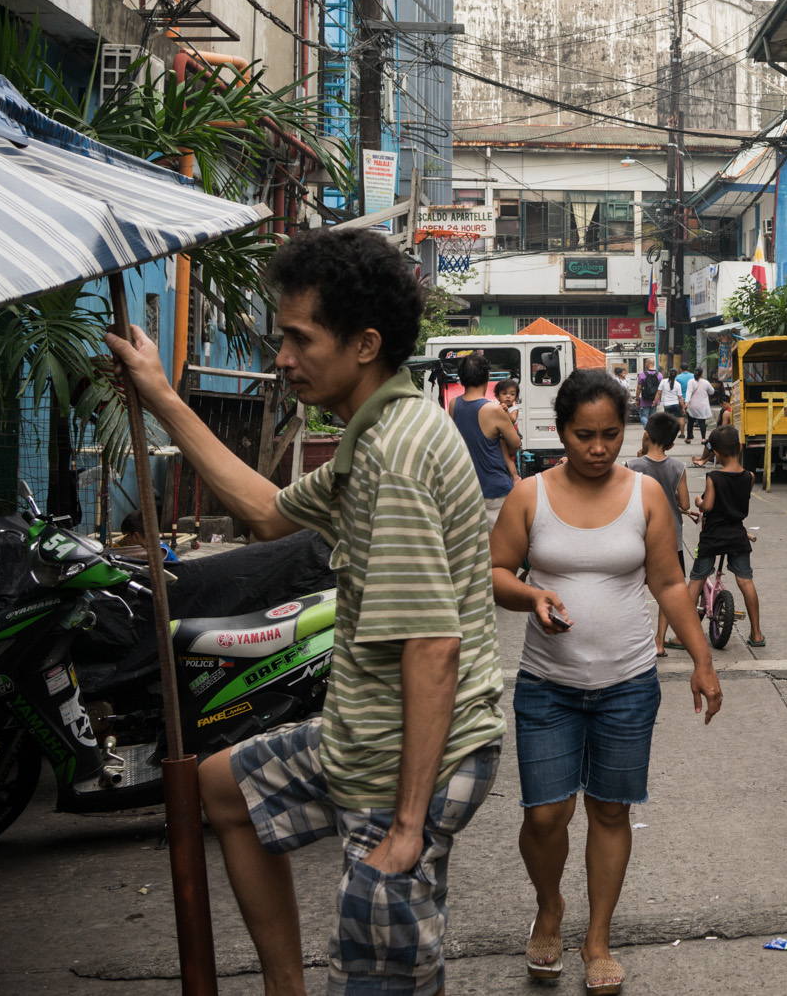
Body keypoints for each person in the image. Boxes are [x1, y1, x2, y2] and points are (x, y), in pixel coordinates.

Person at [102, 227, 505, 996]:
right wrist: (159, 395)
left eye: (298, 337)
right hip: (363, 731)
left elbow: (432, 648)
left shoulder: (397, 457)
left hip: (402, 761)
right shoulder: (374, 429)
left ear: (364, 345)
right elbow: (266, 510)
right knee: (223, 789)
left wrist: (408, 827)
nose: (281, 356)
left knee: (379, 978)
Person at [490, 370, 721, 995]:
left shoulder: (645, 496)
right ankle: (549, 907)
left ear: (627, 430)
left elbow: (670, 584)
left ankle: (598, 937)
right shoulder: (529, 496)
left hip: (627, 683)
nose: (597, 448)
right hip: (547, 685)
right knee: (545, 814)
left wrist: (702, 660)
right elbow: (497, 572)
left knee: (610, 810)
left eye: (610, 435)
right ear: (560, 430)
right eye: (583, 435)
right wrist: (532, 596)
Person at [626, 412, 698, 656]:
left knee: (633, 589)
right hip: (670, 540)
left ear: (646, 435)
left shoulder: (632, 467)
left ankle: (634, 640)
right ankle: (659, 641)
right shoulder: (678, 467)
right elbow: (685, 504)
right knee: (667, 591)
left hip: (638, 537)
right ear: (671, 444)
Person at [686, 425, 762, 647]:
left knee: (696, 581)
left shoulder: (714, 477)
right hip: (737, 535)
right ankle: (756, 634)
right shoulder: (749, 476)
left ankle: (684, 635)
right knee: (745, 580)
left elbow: (708, 506)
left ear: (716, 453)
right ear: (740, 447)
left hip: (712, 537)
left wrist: (698, 501)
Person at [451, 351, 521, 529]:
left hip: (466, 488)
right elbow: (515, 443)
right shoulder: (493, 410)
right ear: (488, 376)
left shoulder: (454, 404)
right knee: (500, 549)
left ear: (462, 378)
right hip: (495, 490)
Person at [682, 366, 713, 443]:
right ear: (702, 374)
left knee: (691, 422)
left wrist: (686, 402)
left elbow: (688, 392)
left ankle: (688, 438)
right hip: (702, 405)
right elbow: (712, 392)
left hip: (692, 405)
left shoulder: (690, 381)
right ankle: (703, 438)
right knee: (702, 422)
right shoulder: (706, 382)